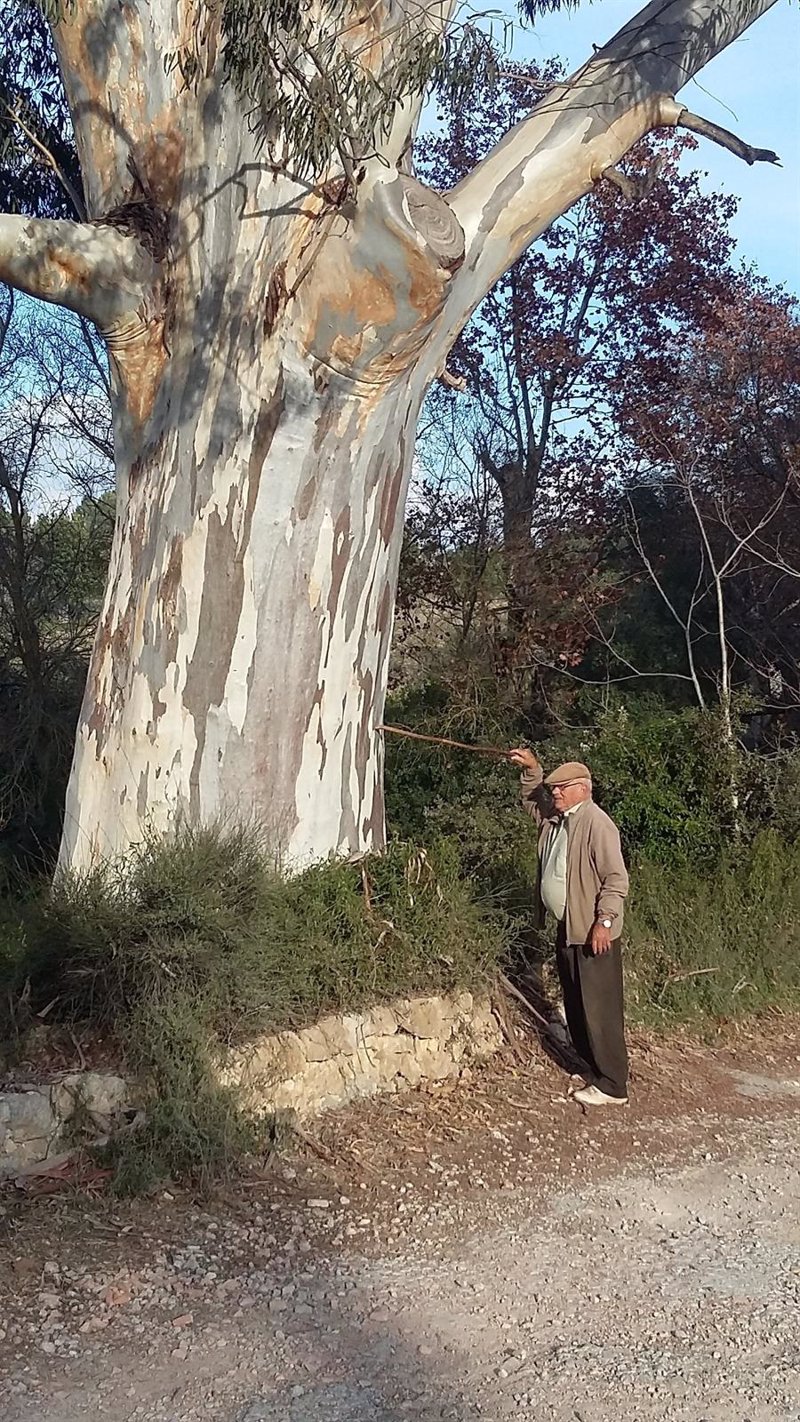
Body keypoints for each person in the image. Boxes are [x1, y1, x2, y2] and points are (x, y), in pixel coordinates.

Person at [509, 747, 630, 1107]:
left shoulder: (597, 823)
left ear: (583, 788)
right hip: (568, 926)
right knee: (577, 1005)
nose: (555, 793)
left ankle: (613, 1085)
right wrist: (532, 768)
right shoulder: (557, 821)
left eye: (562, 788)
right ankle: (594, 1069)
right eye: (554, 788)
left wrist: (603, 922)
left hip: (594, 931)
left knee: (600, 1009)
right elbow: (532, 799)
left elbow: (616, 879)